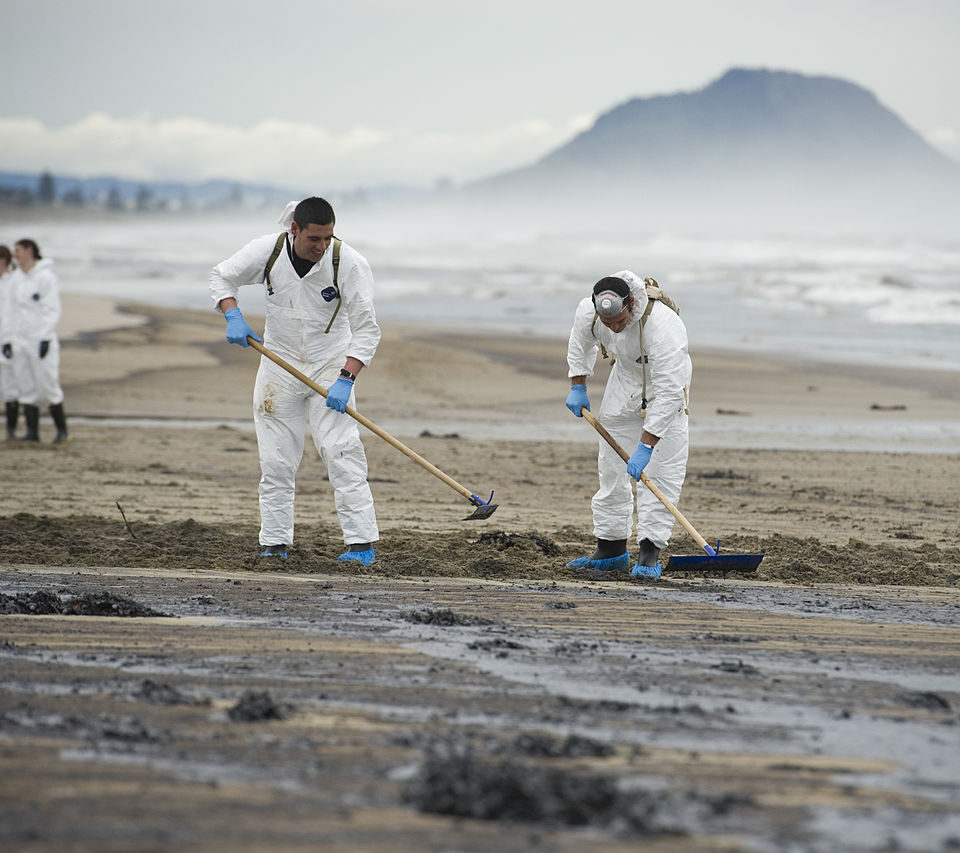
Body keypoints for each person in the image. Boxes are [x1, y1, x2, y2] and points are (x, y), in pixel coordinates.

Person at [209, 196, 382, 564]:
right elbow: (221, 276)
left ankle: (361, 545)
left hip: (331, 364)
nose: (322, 247)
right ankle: (274, 545)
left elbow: (367, 330)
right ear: (294, 230)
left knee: (342, 452)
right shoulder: (268, 251)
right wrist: (233, 315)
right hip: (279, 364)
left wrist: (346, 378)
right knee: (276, 460)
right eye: (314, 239)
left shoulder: (347, 262)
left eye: (328, 238)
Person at [564, 271, 692, 579]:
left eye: (619, 321)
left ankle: (649, 552)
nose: (615, 329)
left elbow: (671, 388)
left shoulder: (663, 326)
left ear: (630, 303)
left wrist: (647, 445)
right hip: (624, 381)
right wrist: (577, 384)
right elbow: (580, 342)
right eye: (608, 324)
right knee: (611, 467)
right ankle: (610, 548)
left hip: (666, 390)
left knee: (662, 472)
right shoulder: (589, 312)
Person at [10, 239, 69, 443]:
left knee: (48, 384)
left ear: (29, 251)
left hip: (40, 339)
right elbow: (10, 312)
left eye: (18, 251)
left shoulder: (45, 277)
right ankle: (32, 433)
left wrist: (44, 337)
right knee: (25, 386)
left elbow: (52, 309)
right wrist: (9, 339)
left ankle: (62, 432)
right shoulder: (16, 279)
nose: (15, 255)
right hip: (20, 339)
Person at [0, 245, 20, 439]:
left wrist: (10, 340)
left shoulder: (15, 281)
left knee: (10, 385)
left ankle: (12, 431)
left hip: (10, 339)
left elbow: (15, 314)